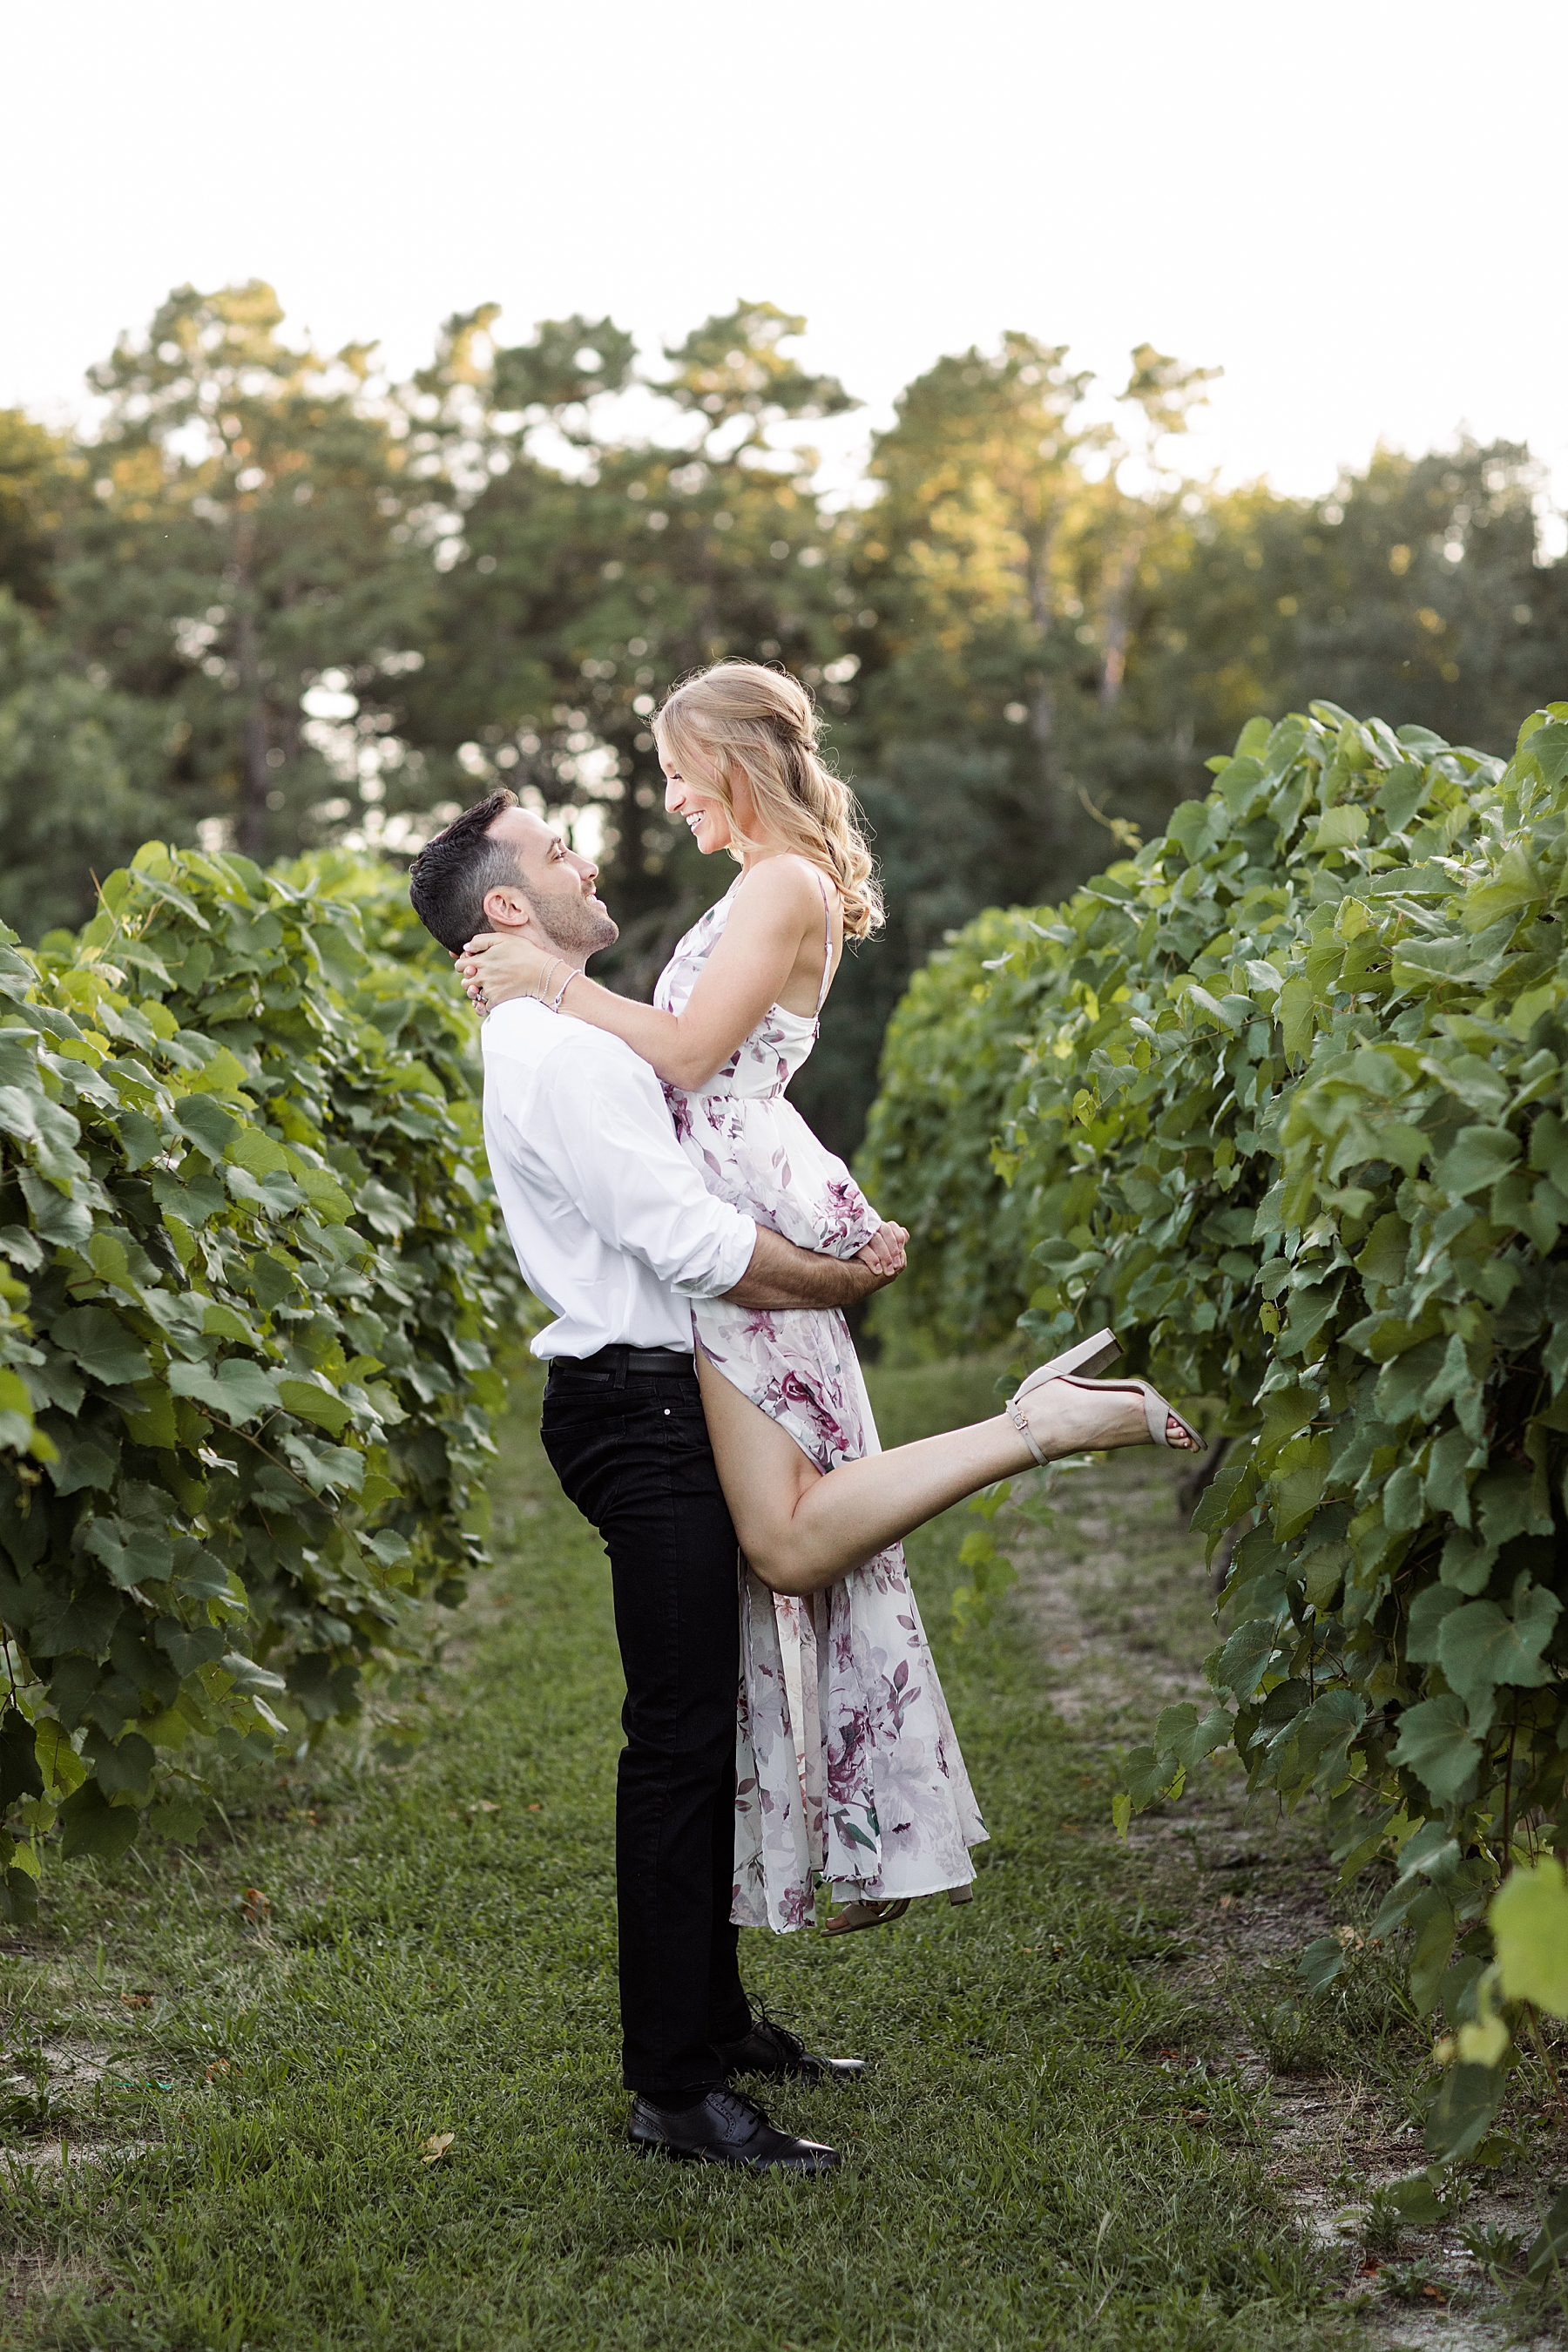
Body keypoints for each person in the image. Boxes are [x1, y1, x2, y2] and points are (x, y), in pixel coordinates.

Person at [442, 670, 1199, 2101]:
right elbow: (673, 1082)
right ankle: (1028, 1429)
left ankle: (1028, 1430)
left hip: (742, 1248)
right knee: (784, 1559)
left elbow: (682, 1055)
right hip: (723, 1251)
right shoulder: (754, 892)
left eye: (673, 770)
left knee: (792, 1545)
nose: (661, 802)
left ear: (732, 756)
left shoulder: (782, 882)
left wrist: (555, 980)